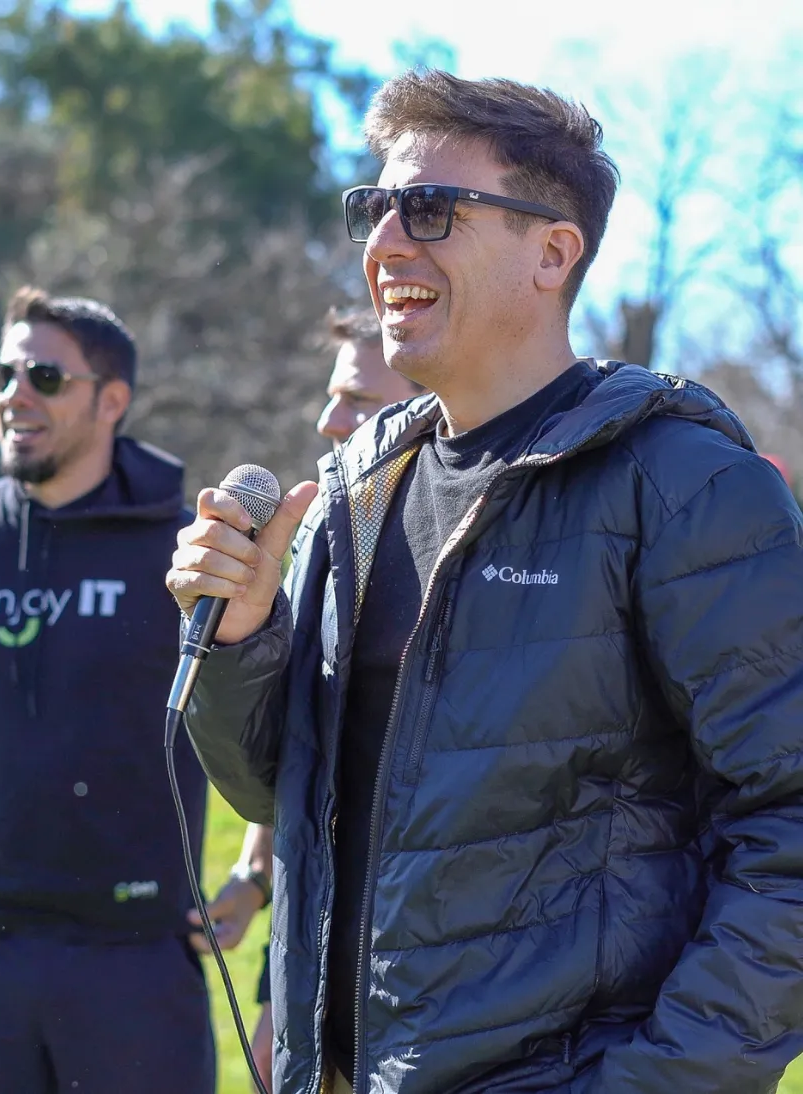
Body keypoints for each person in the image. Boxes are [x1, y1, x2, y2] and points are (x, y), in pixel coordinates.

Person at [167, 69, 803, 1094]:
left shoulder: (683, 484)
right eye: (371, 207)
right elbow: (284, 799)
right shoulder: (357, 489)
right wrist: (243, 642)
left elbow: (789, 825)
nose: (383, 243)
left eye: (428, 208)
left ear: (554, 251)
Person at [0, 286, 215, 1093]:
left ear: (112, 400)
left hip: (130, 956)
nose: (12, 396)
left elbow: (272, 728)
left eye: (43, 377)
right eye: (0, 375)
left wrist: (258, 874)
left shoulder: (184, 552)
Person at [186, 305, 424, 1092]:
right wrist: (256, 884)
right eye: (330, 395)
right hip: (319, 963)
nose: (329, 421)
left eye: (356, 399)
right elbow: (297, 756)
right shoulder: (320, 536)